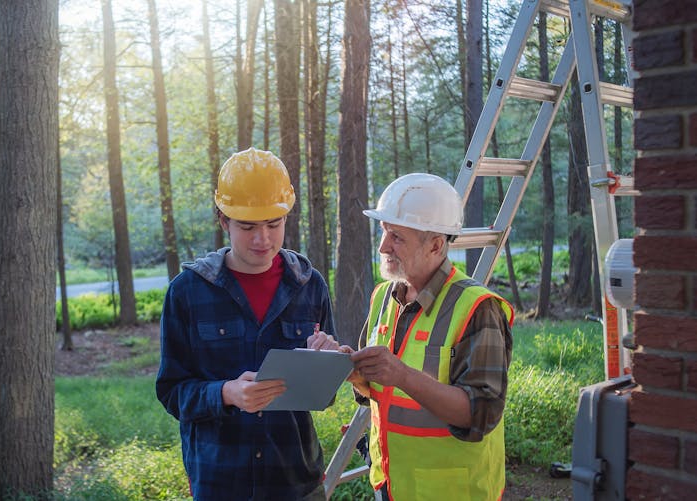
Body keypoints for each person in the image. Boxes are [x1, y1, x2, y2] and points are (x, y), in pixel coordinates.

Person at [156, 148, 339, 501]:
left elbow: (325, 397)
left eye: (274, 225)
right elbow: (171, 392)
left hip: (296, 481)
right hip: (221, 482)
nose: (263, 239)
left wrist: (328, 363)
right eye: (248, 226)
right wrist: (226, 393)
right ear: (224, 220)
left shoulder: (309, 285)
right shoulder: (187, 293)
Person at [346, 173, 514, 501]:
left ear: (436, 244)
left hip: (451, 492)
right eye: (383, 232)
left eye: (397, 237)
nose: (383, 246)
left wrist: (402, 375)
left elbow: (482, 414)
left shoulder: (477, 308)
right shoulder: (383, 297)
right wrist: (349, 370)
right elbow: (376, 393)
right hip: (389, 485)